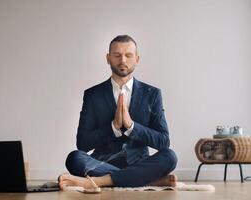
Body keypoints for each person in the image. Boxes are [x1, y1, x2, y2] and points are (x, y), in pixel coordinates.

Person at [59, 35, 177, 189]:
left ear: (137, 59)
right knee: (74, 158)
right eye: (117, 55)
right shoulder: (93, 94)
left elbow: (163, 141)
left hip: (139, 162)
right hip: (103, 163)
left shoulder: (152, 94)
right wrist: (113, 127)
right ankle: (145, 180)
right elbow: (82, 143)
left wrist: (131, 127)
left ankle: (99, 182)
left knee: (170, 156)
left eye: (128, 55)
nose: (123, 60)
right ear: (108, 58)